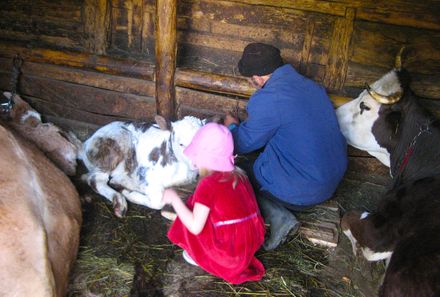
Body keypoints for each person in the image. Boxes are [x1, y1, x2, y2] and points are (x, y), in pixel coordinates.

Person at [224, 42, 348, 251]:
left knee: (235, 172)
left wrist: (232, 127)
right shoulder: (312, 87)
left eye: (249, 79)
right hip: (331, 181)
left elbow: (241, 144)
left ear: (257, 78)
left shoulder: (268, 99)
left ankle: (278, 215)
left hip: (304, 190)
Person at [162, 122, 266, 284]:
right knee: (196, 207)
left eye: (196, 156)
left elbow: (196, 227)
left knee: (191, 216)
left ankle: (200, 256)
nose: (194, 161)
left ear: (205, 158)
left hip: (228, 257)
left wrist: (174, 199)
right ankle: (182, 218)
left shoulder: (208, 184)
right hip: (247, 246)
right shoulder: (240, 175)